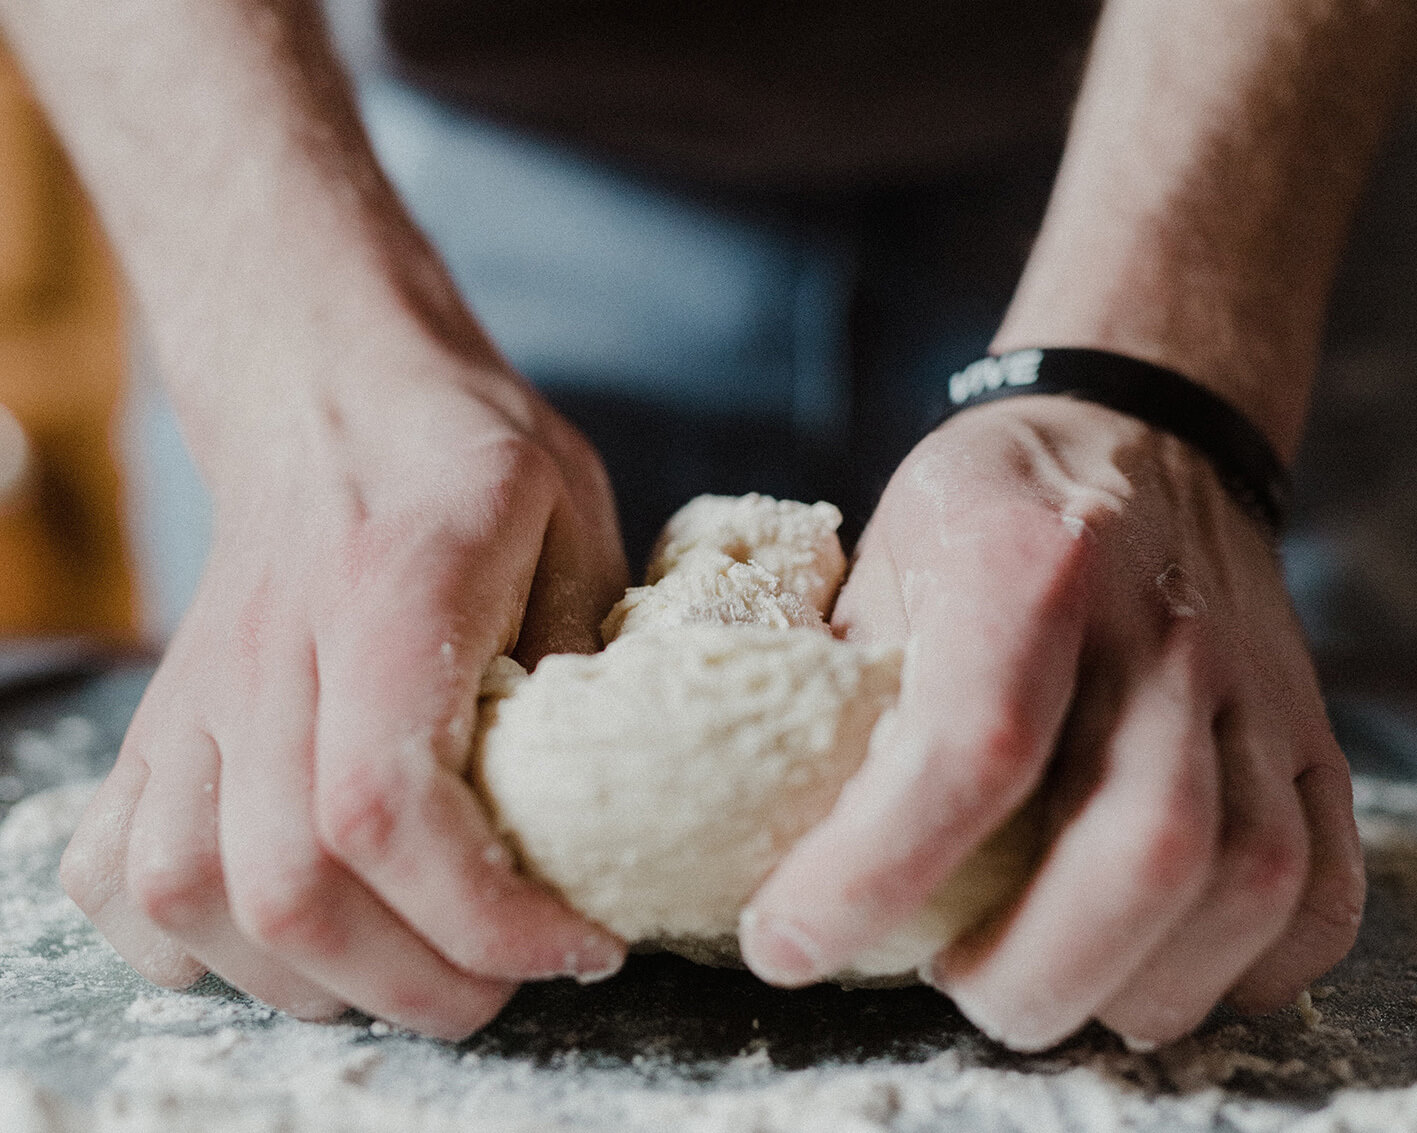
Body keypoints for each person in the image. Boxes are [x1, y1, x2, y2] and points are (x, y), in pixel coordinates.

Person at [0, 0, 1410, 1052]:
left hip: (1231, 118)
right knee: (340, 802)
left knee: (1199, 843)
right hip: (423, 148)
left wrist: (1164, 372)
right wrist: (296, 352)